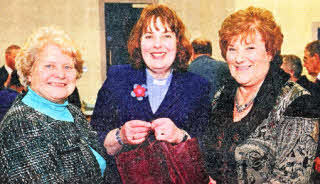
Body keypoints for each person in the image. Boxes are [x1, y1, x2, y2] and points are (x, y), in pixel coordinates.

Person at [90, 4, 210, 183]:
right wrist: (120, 136)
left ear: (178, 42)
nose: (157, 45)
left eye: (166, 36)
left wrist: (181, 136)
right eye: (149, 36)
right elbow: (93, 138)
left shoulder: (198, 86)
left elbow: (209, 148)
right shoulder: (118, 78)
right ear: (138, 42)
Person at [203, 6, 319, 183]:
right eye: (232, 49)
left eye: (249, 48)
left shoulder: (298, 102)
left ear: (270, 52)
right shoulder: (222, 96)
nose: (239, 58)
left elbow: (292, 179)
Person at [0, 27, 107, 183]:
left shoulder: (72, 112)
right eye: (49, 66)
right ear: (29, 72)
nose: (61, 74)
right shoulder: (20, 125)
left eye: (68, 67)